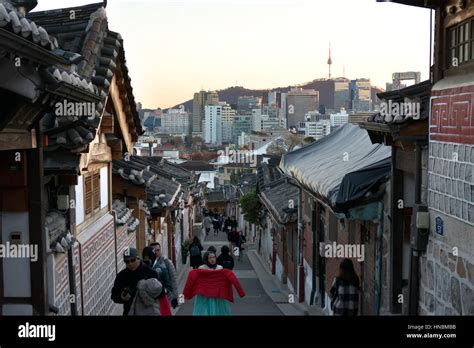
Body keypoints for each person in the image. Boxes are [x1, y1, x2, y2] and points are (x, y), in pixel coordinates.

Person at [183, 251, 245, 315]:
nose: (212, 259)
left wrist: (241, 293)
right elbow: (190, 282)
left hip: (218, 296)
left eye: (214, 257)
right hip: (204, 296)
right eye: (210, 258)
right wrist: (184, 295)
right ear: (206, 259)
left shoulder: (220, 268)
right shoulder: (201, 269)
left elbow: (233, 278)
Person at [111, 247, 161, 316]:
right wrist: (122, 298)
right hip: (129, 311)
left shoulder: (150, 272)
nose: (130, 263)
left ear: (138, 258)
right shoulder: (121, 276)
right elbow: (114, 295)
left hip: (148, 311)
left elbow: (161, 291)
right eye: (127, 262)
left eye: (132, 260)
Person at [142, 246, 172, 315]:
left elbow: (169, 286)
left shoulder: (161, 269)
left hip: (159, 303)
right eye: (145, 259)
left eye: (149, 258)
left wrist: (161, 291)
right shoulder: (141, 270)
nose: (148, 260)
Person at [150, 242, 179, 310]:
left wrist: (175, 297)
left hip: (165, 296)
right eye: (154, 251)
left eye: (158, 250)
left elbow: (173, 279)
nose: (156, 252)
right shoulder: (148, 263)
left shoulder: (167, 262)